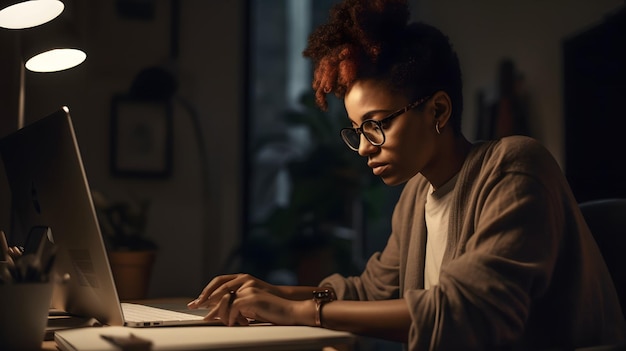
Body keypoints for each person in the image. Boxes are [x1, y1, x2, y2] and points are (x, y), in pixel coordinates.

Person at [188, 0, 626, 349]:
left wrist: (301, 313)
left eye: (376, 124)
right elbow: (370, 292)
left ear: (437, 110)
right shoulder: (417, 195)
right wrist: (275, 295)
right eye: (357, 131)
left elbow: (467, 312)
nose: (363, 147)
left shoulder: (515, 167)